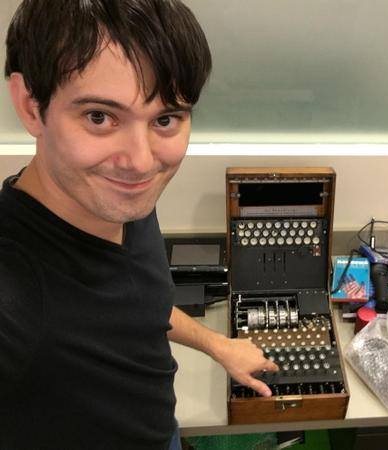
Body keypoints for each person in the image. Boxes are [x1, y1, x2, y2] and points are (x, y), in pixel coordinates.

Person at [0, 1, 278, 449]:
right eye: (99, 117)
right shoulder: (14, 300)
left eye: (165, 119)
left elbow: (137, 308)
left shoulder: (116, 199)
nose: (141, 162)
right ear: (32, 107)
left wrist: (216, 345)